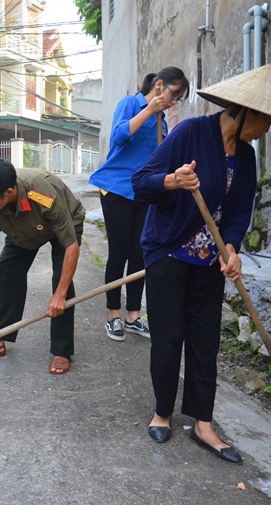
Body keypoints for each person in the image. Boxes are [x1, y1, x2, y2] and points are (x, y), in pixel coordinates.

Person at [131, 64, 271, 464]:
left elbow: (241, 210)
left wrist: (233, 247)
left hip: (210, 261)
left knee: (205, 340)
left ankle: (204, 425)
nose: (266, 131)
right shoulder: (191, 133)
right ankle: (162, 412)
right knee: (169, 337)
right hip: (168, 253)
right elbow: (143, 180)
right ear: (245, 112)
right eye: (265, 122)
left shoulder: (245, 156)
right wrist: (171, 181)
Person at [0, 158, 85, 374]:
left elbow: (71, 247)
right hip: (22, 227)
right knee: (5, 270)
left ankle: (62, 350)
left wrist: (60, 294)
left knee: (62, 283)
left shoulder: (43, 193)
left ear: (9, 192)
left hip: (63, 224)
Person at [88, 67, 189, 343]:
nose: (173, 101)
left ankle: (133, 315)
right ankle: (113, 314)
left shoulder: (163, 124)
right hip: (117, 187)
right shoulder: (131, 104)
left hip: (144, 193)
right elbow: (119, 136)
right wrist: (149, 109)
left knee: (140, 254)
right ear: (159, 85)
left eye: (178, 98)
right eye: (174, 93)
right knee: (119, 251)